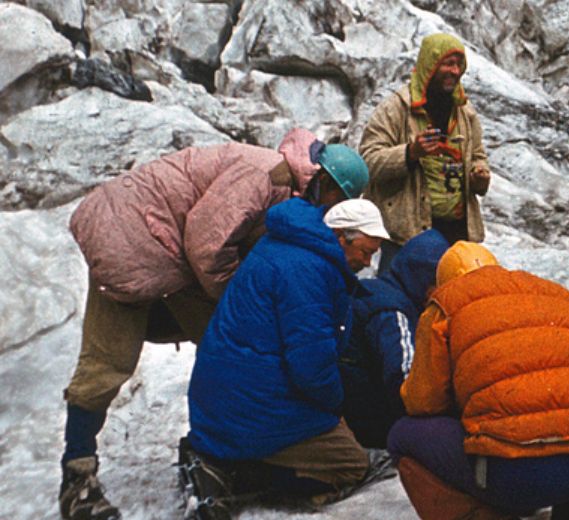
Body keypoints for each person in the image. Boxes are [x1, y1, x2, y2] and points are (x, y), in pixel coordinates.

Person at [58, 129, 369, 520]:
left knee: (224, 344)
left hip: (168, 249)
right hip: (130, 240)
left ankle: (215, 449)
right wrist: (239, 299)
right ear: (323, 182)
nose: (333, 210)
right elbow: (207, 242)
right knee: (108, 362)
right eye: (337, 200)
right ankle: (77, 480)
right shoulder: (266, 173)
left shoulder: (288, 184)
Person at [389, 242, 569, 519]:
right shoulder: (555, 294)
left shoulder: (445, 305)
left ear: (443, 282)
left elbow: (424, 402)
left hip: (517, 471)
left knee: (402, 436)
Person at [181, 198, 390, 519]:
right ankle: (227, 477)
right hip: (252, 402)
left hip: (224, 396)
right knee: (352, 464)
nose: (367, 261)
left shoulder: (285, 246)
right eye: (365, 250)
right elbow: (311, 366)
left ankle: (219, 458)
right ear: (340, 237)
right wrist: (335, 409)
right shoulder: (310, 271)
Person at [360, 32, 491, 274]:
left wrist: (479, 175)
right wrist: (411, 152)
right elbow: (368, 162)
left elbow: (478, 155)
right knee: (402, 300)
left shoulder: (464, 112)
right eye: (447, 63)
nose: (454, 71)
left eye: (458, 65)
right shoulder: (396, 109)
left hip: (456, 235)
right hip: (407, 238)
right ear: (430, 65)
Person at [338, 228, 450, 448]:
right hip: (367, 420)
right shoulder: (392, 310)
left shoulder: (373, 288)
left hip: (344, 404)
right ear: (421, 277)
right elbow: (402, 376)